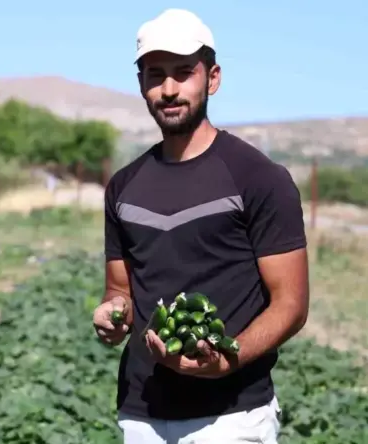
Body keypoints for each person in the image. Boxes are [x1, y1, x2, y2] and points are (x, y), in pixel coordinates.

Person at [92, 9, 309, 444]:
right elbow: (120, 292)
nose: (168, 90)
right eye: (155, 75)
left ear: (212, 78)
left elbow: (291, 304)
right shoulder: (124, 186)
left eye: (183, 73)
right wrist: (112, 317)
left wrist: (227, 359)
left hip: (232, 415)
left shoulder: (257, 177)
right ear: (140, 83)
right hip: (142, 412)